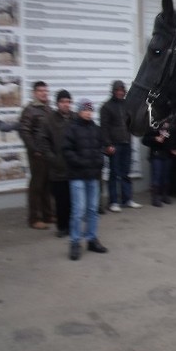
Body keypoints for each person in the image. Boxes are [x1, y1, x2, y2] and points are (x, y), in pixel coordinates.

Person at [62, 99, 108, 261]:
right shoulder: (72, 129)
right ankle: (75, 242)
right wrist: (81, 163)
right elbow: (67, 151)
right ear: (80, 111)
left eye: (90, 110)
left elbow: (101, 148)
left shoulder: (96, 129)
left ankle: (91, 239)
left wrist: (99, 162)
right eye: (85, 110)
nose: (88, 112)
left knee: (92, 210)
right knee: (78, 210)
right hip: (77, 177)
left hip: (93, 176)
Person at [37, 89, 75, 237]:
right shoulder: (49, 120)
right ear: (57, 103)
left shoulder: (75, 118)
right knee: (61, 200)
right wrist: (52, 158)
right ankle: (62, 227)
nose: (66, 105)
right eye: (63, 102)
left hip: (73, 167)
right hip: (58, 168)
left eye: (68, 102)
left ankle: (73, 226)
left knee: (73, 200)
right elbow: (43, 141)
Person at [100, 80, 141, 212]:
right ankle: (113, 202)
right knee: (114, 174)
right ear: (113, 91)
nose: (120, 92)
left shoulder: (127, 105)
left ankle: (127, 199)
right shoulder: (106, 107)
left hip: (126, 143)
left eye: (122, 90)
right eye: (117, 90)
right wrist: (108, 144)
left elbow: (130, 123)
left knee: (125, 173)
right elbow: (104, 128)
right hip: (114, 145)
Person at [19, 80, 53, 229]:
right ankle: (34, 218)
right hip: (37, 155)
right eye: (40, 91)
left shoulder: (48, 109)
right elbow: (24, 132)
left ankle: (48, 215)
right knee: (37, 186)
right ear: (34, 93)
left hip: (48, 153)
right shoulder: (30, 110)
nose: (44, 93)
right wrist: (35, 149)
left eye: (45, 91)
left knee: (47, 185)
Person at [142, 122, 175, 207]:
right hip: (156, 154)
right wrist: (155, 138)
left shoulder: (171, 125)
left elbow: (174, 138)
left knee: (166, 176)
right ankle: (155, 198)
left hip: (168, 154)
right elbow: (144, 140)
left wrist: (174, 148)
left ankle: (165, 195)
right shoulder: (152, 125)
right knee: (156, 176)